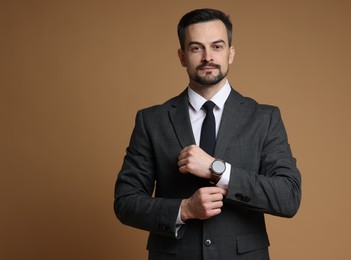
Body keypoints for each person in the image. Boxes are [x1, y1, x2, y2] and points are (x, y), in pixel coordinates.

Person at [114, 8, 301, 260]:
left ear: (230, 53)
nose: (207, 57)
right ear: (182, 57)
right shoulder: (152, 121)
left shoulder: (264, 118)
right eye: (196, 48)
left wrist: (218, 169)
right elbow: (125, 202)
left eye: (217, 46)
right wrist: (184, 209)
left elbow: (288, 197)